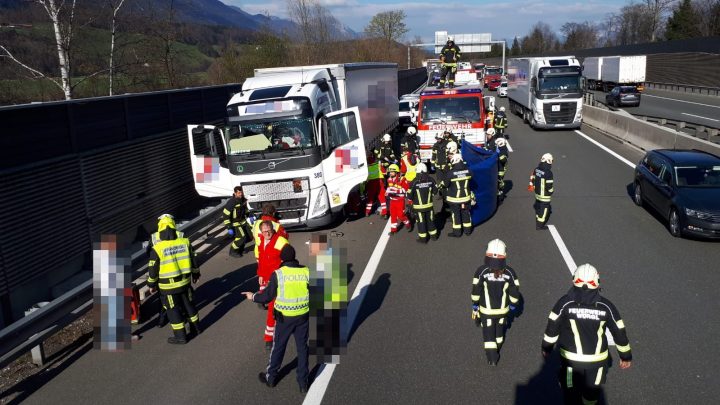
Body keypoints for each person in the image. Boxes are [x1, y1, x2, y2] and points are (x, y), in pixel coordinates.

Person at [542, 264, 632, 405]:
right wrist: (625, 356)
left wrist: (546, 348)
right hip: (597, 362)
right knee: (591, 396)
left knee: (570, 394)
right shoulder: (606, 306)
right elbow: (619, 333)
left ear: (574, 281)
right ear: (597, 282)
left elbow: (552, 328)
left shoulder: (564, 303)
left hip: (570, 361)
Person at [243, 245, 311, 394]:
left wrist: (252, 296)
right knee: (302, 348)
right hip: (303, 316)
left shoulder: (278, 274)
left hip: (284, 318)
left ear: (282, 258)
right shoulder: (306, 271)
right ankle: (303, 382)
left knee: (278, 347)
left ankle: (271, 378)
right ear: (294, 257)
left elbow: (267, 296)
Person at [147, 214, 201, 344]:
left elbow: (153, 268)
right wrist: (196, 274)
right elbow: (194, 259)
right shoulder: (184, 241)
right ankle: (196, 329)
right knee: (189, 305)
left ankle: (180, 336)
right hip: (185, 282)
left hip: (168, 287)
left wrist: (151, 284)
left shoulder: (157, 248)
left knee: (173, 310)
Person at [471, 239, 520, 365]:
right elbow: (515, 293)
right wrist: (513, 306)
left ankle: (492, 358)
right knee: (499, 331)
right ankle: (497, 346)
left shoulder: (481, 271)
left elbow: (476, 290)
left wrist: (475, 305)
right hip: (503, 310)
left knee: (488, 334)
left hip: (486, 310)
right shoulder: (510, 272)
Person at [256, 220, 290, 350]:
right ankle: (270, 337)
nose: (267, 233)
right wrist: (260, 275)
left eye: (269, 230)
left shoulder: (280, 241)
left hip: (278, 280)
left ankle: (270, 338)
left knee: (274, 308)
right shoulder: (261, 241)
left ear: (272, 229)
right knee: (272, 308)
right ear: (261, 232)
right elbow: (262, 261)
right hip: (267, 279)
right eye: (264, 231)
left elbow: (288, 259)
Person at [149, 214, 186, 328]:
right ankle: (183, 316)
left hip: (162, 273)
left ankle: (162, 319)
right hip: (180, 271)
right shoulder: (180, 234)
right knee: (182, 297)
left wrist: (152, 282)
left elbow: (150, 255)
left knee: (164, 299)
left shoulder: (154, 237)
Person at [445, 144, 474, 237]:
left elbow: (446, 184)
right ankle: (468, 231)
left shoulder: (450, 173)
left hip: (455, 199)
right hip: (466, 197)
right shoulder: (469, 171)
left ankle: (457, 233)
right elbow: (471, 179)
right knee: (466, 213)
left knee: (456, 215)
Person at [409, 163, 438, 243]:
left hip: (419, 208)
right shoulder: (431, 179)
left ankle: (423, 239)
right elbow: (435, 191)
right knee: (431, 220)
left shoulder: (414, 182)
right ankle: (434, 236)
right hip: (429, 206)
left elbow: (409, 196)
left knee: (421, 222)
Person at [223, 185, 250, 257]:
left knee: (249, 236)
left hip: (243, 221)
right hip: (235, 223)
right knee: (241, 237)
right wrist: (229, 227)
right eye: (238, 193)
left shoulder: (243, 199)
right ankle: (233, 251)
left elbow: (245, 209)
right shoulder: (231, 202)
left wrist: (249, 215)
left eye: (241, 192)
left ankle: (240, 249)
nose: (240, 194)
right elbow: (225, 215)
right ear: (235, 193)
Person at [385, 164, 412, 235]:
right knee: (393, 216)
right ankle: (393, 230)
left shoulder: (402, 179)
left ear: (396, 172)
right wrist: (387, 191)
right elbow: (389, 188)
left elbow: (405, 189)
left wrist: (395, 191)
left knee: (400, 215)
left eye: (392, 172)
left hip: (400, 200)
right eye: (390, 172)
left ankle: (407, 223)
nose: (390, 173)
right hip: (392, 200)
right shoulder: (389, 179)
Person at [529, 153, 554, 230]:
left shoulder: (537, 169)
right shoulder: (549, 173)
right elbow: (549, 186)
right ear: (549, 161)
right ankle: (540, 226)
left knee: (539, 207)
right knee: (544, 210)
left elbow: (532, 178)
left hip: (537, 193)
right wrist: (551, 192)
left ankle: (538, 219)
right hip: (545, 196)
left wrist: (532, 186)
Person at [365, 152, 388, 217]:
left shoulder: (366, 167)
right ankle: (385, 212)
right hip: (379, 182)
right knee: (382, 197)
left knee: (370, 198)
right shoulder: (378, 164)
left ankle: (367, 212)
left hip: (371, 183)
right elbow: (384, 172)